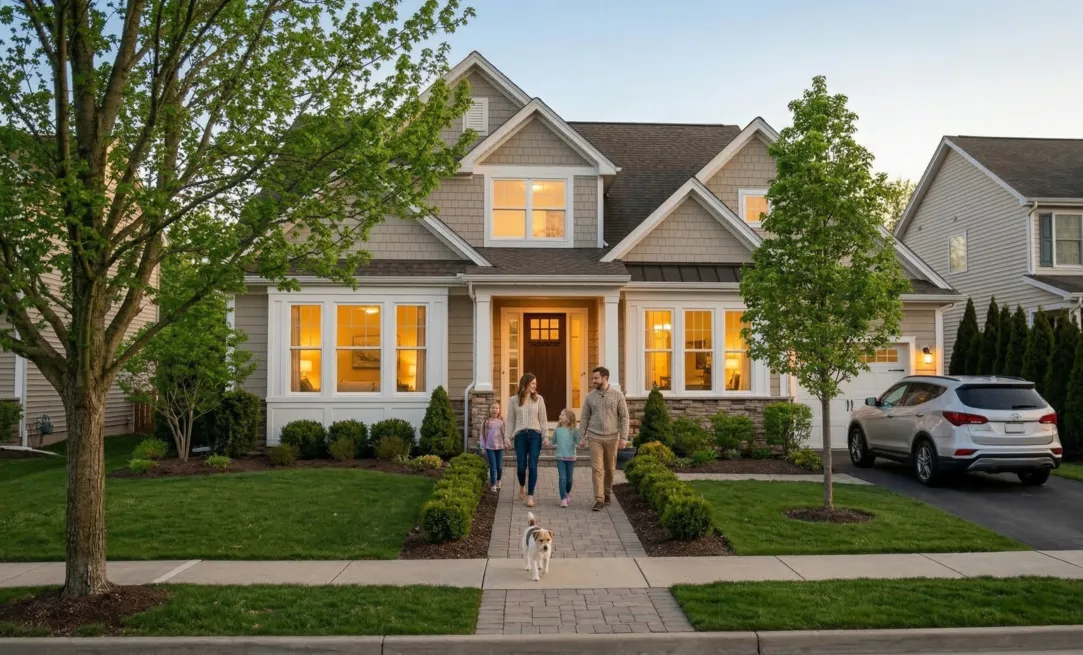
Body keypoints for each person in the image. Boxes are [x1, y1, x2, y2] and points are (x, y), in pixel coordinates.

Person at [579, 366, 629, 512]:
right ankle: (599, 499)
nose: (593, 380)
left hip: (612, 437)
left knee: (610, 469)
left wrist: (624, 438)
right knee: (596, 469)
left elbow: (624, 417)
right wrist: (581, 436)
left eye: (596, 378)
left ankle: (607, 493)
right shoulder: (590, 397)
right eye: (593, 378)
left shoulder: (618, 396)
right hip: (594, 436)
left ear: (605, 378)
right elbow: (584, 417)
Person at [506, 373, 546, 508]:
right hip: (520, 435)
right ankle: (522, 485)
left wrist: (545, 437)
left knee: (533, 465)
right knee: (521, 466)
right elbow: (511, 420)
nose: (535, 386)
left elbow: (543, 420)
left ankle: (530, 496)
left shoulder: (539, 399)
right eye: (533, 383)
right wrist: (507, 437)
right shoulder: (513, 400)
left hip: (535, 435)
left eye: (535, 383)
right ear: (525, 383)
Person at [549, 408, 581, 508]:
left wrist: (581, 443)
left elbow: (577, 441)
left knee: (569, 480)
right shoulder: (557, 430)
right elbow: (553, 441)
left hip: (571, 458)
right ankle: (563, 499)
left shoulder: (574, 430)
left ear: (568, 419)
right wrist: (547, 443)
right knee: (562, 478)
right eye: (560, 414)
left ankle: (567, 493)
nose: (560, 416)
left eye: (562, 415)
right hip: (560, 458)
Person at [480, 402, 507, 493]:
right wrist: (483, 446)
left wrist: (506, 443)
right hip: (489, 447)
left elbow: (504, 433)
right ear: (489, 409)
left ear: (499, 410)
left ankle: (499, 480)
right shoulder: (486, 421)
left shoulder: (502, 421)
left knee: (499, 466)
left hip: (499, 446)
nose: (494, 409)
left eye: (496, 408)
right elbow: (482, 434)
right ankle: (493, 484)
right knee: (493, 465)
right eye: (493, 408)